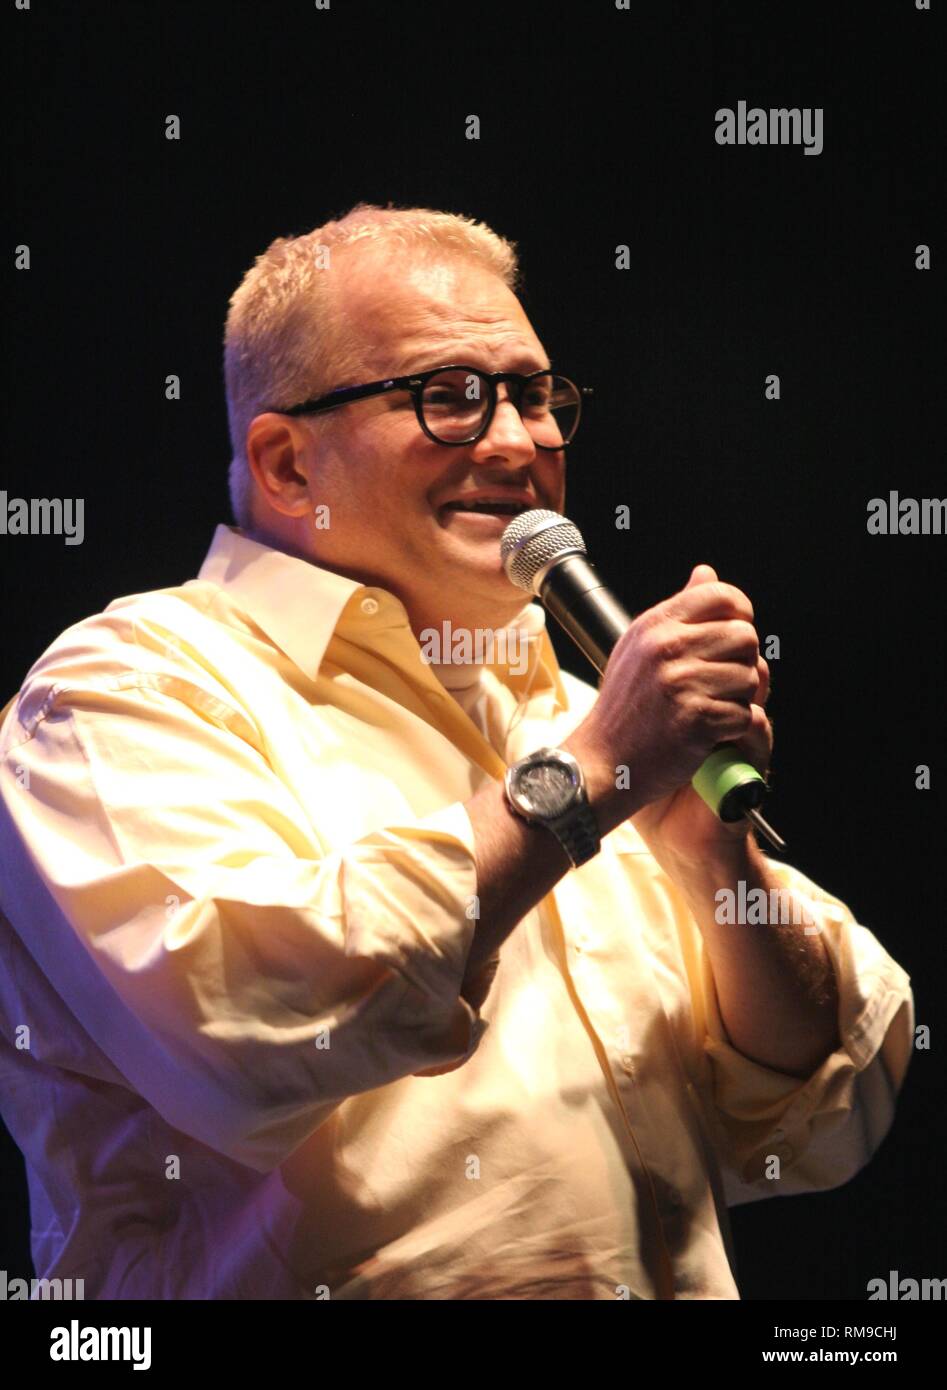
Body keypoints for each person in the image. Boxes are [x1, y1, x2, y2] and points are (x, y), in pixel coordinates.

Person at [0, 203, 913, 1300]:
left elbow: (822, 1105)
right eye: (448, 396)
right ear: (288, 464)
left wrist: (709, 853)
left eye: (533, 395)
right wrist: (587, 778)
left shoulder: (581, 712)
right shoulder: (125, 686)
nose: (519, 443)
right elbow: (234, 1028)